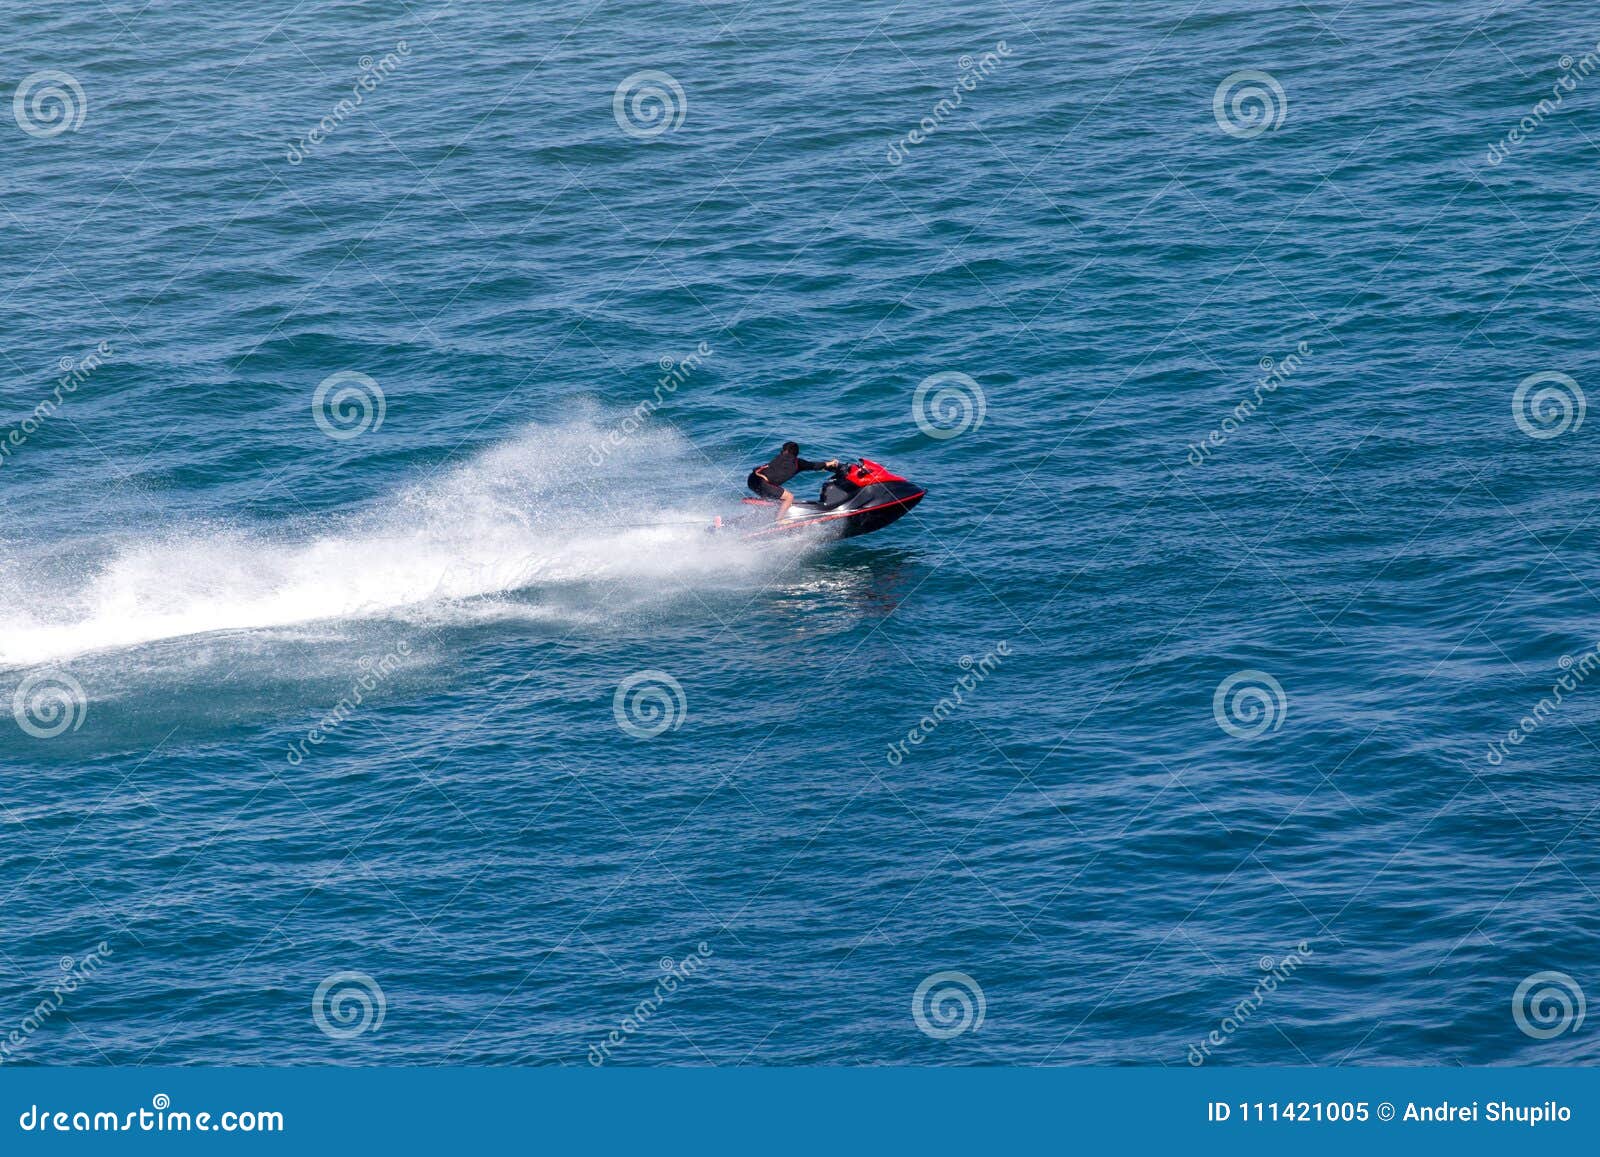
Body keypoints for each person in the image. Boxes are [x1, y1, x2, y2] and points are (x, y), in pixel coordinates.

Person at [747, 442, 840, 521]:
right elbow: (814, 465)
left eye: (782, 450)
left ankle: (760, 516)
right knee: (789, 497)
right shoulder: (798, 463)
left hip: (752, 480)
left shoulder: (778, 458)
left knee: (774, 499)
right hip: (763, 483)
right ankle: (778, 520)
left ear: (785, 451)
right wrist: (830, 463)